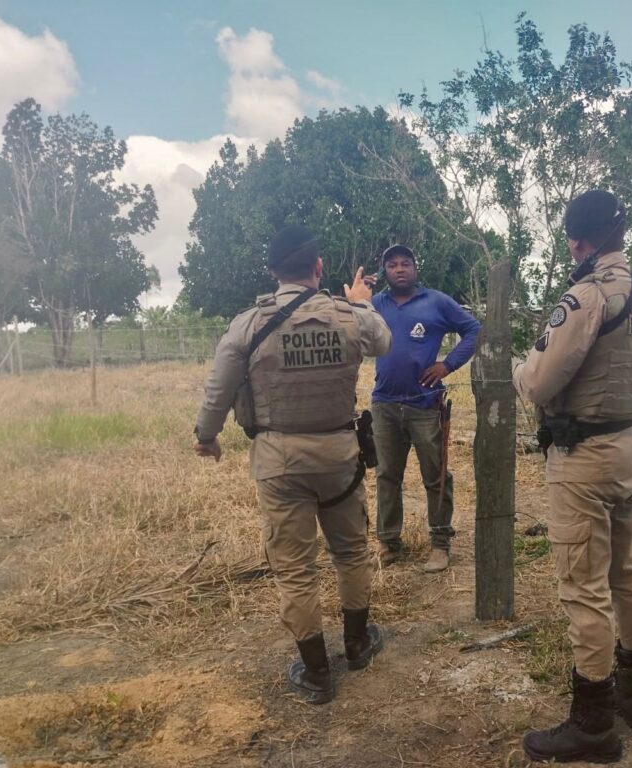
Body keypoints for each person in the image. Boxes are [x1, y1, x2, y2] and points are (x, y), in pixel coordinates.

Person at [193, 224, 392, 705]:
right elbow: (383, 341)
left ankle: (317, 673)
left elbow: (219, 388)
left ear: (273, 271)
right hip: (340, 456)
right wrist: (361, 302)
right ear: (318, 267)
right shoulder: (350, 316)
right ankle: (358, 644)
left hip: (278, 460)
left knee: (296, 569)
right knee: (351, 552)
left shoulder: (248, 324)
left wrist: (207, 436)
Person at [513, 190, 632, 764]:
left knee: (584, 586)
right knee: (629, 572)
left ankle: (593, 723)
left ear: (577, 240)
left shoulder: (587, 297)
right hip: (631, 444)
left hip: (584, 455)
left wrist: (518, 368)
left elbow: (539, 383)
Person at [364, 244, 481, 573]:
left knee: (435, 474)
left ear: (416, 268)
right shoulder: (376, 304)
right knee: (387, 476)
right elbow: (349, 325)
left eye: (406, 263)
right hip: (384, 404)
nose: (399, 269)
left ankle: (440, 544)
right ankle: (388, 544)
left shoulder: (437, 302)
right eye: (392, 265)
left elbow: (473, 330)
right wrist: (358, 298)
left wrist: (448, 364)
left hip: (425, 404)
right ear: (385, 271)